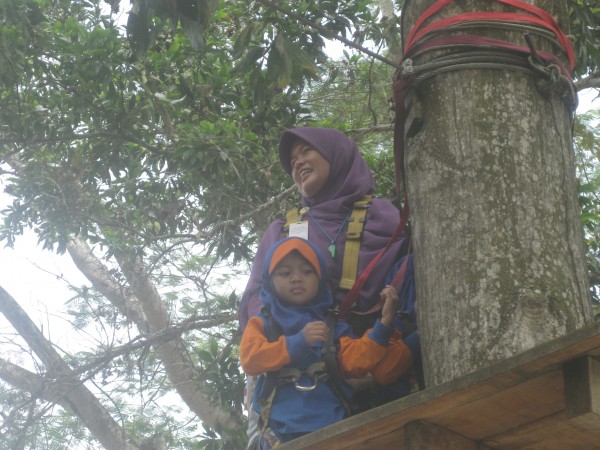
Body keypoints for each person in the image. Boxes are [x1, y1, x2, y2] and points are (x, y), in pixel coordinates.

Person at [239, 127, 410, 447]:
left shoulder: (382, 216)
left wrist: (381, 331)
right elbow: (255, 294)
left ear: (337, 155)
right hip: (291, 372)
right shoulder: (283, 229)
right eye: (292, 160)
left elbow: (405, 275)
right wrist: (289, 331)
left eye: (306, 151)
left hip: (365, 352)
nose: (298, 163)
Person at [239, 237, 416, 448]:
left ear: (320, 279)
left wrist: (385, 324)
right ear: (270, 281)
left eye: (307, 271)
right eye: (285, 273)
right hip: (278, 435)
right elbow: (250, 359)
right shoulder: (262, 324)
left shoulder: (331, 326)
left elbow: (356, 361)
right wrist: (299, 342)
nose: (297, 278)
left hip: (333, 430)